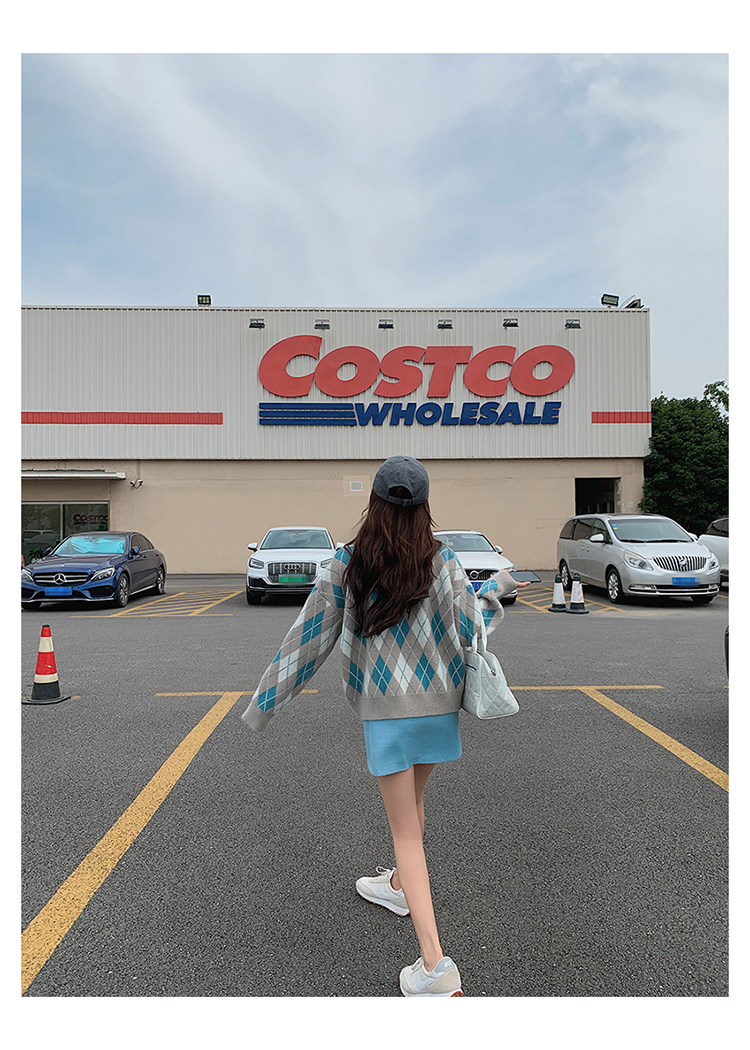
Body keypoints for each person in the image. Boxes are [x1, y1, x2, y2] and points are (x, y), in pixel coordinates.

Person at [241, 455, 524, 997]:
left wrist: (264, 704)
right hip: (439, 706)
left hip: (387, 710)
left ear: (373, 501)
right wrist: (497, 590)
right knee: (413, 807)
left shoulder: (347, 563)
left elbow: (307, 640)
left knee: (405, 833)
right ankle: (397, 886)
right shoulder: (441, 560)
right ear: (423, 507)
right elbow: (473, 627)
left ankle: (436, 966)